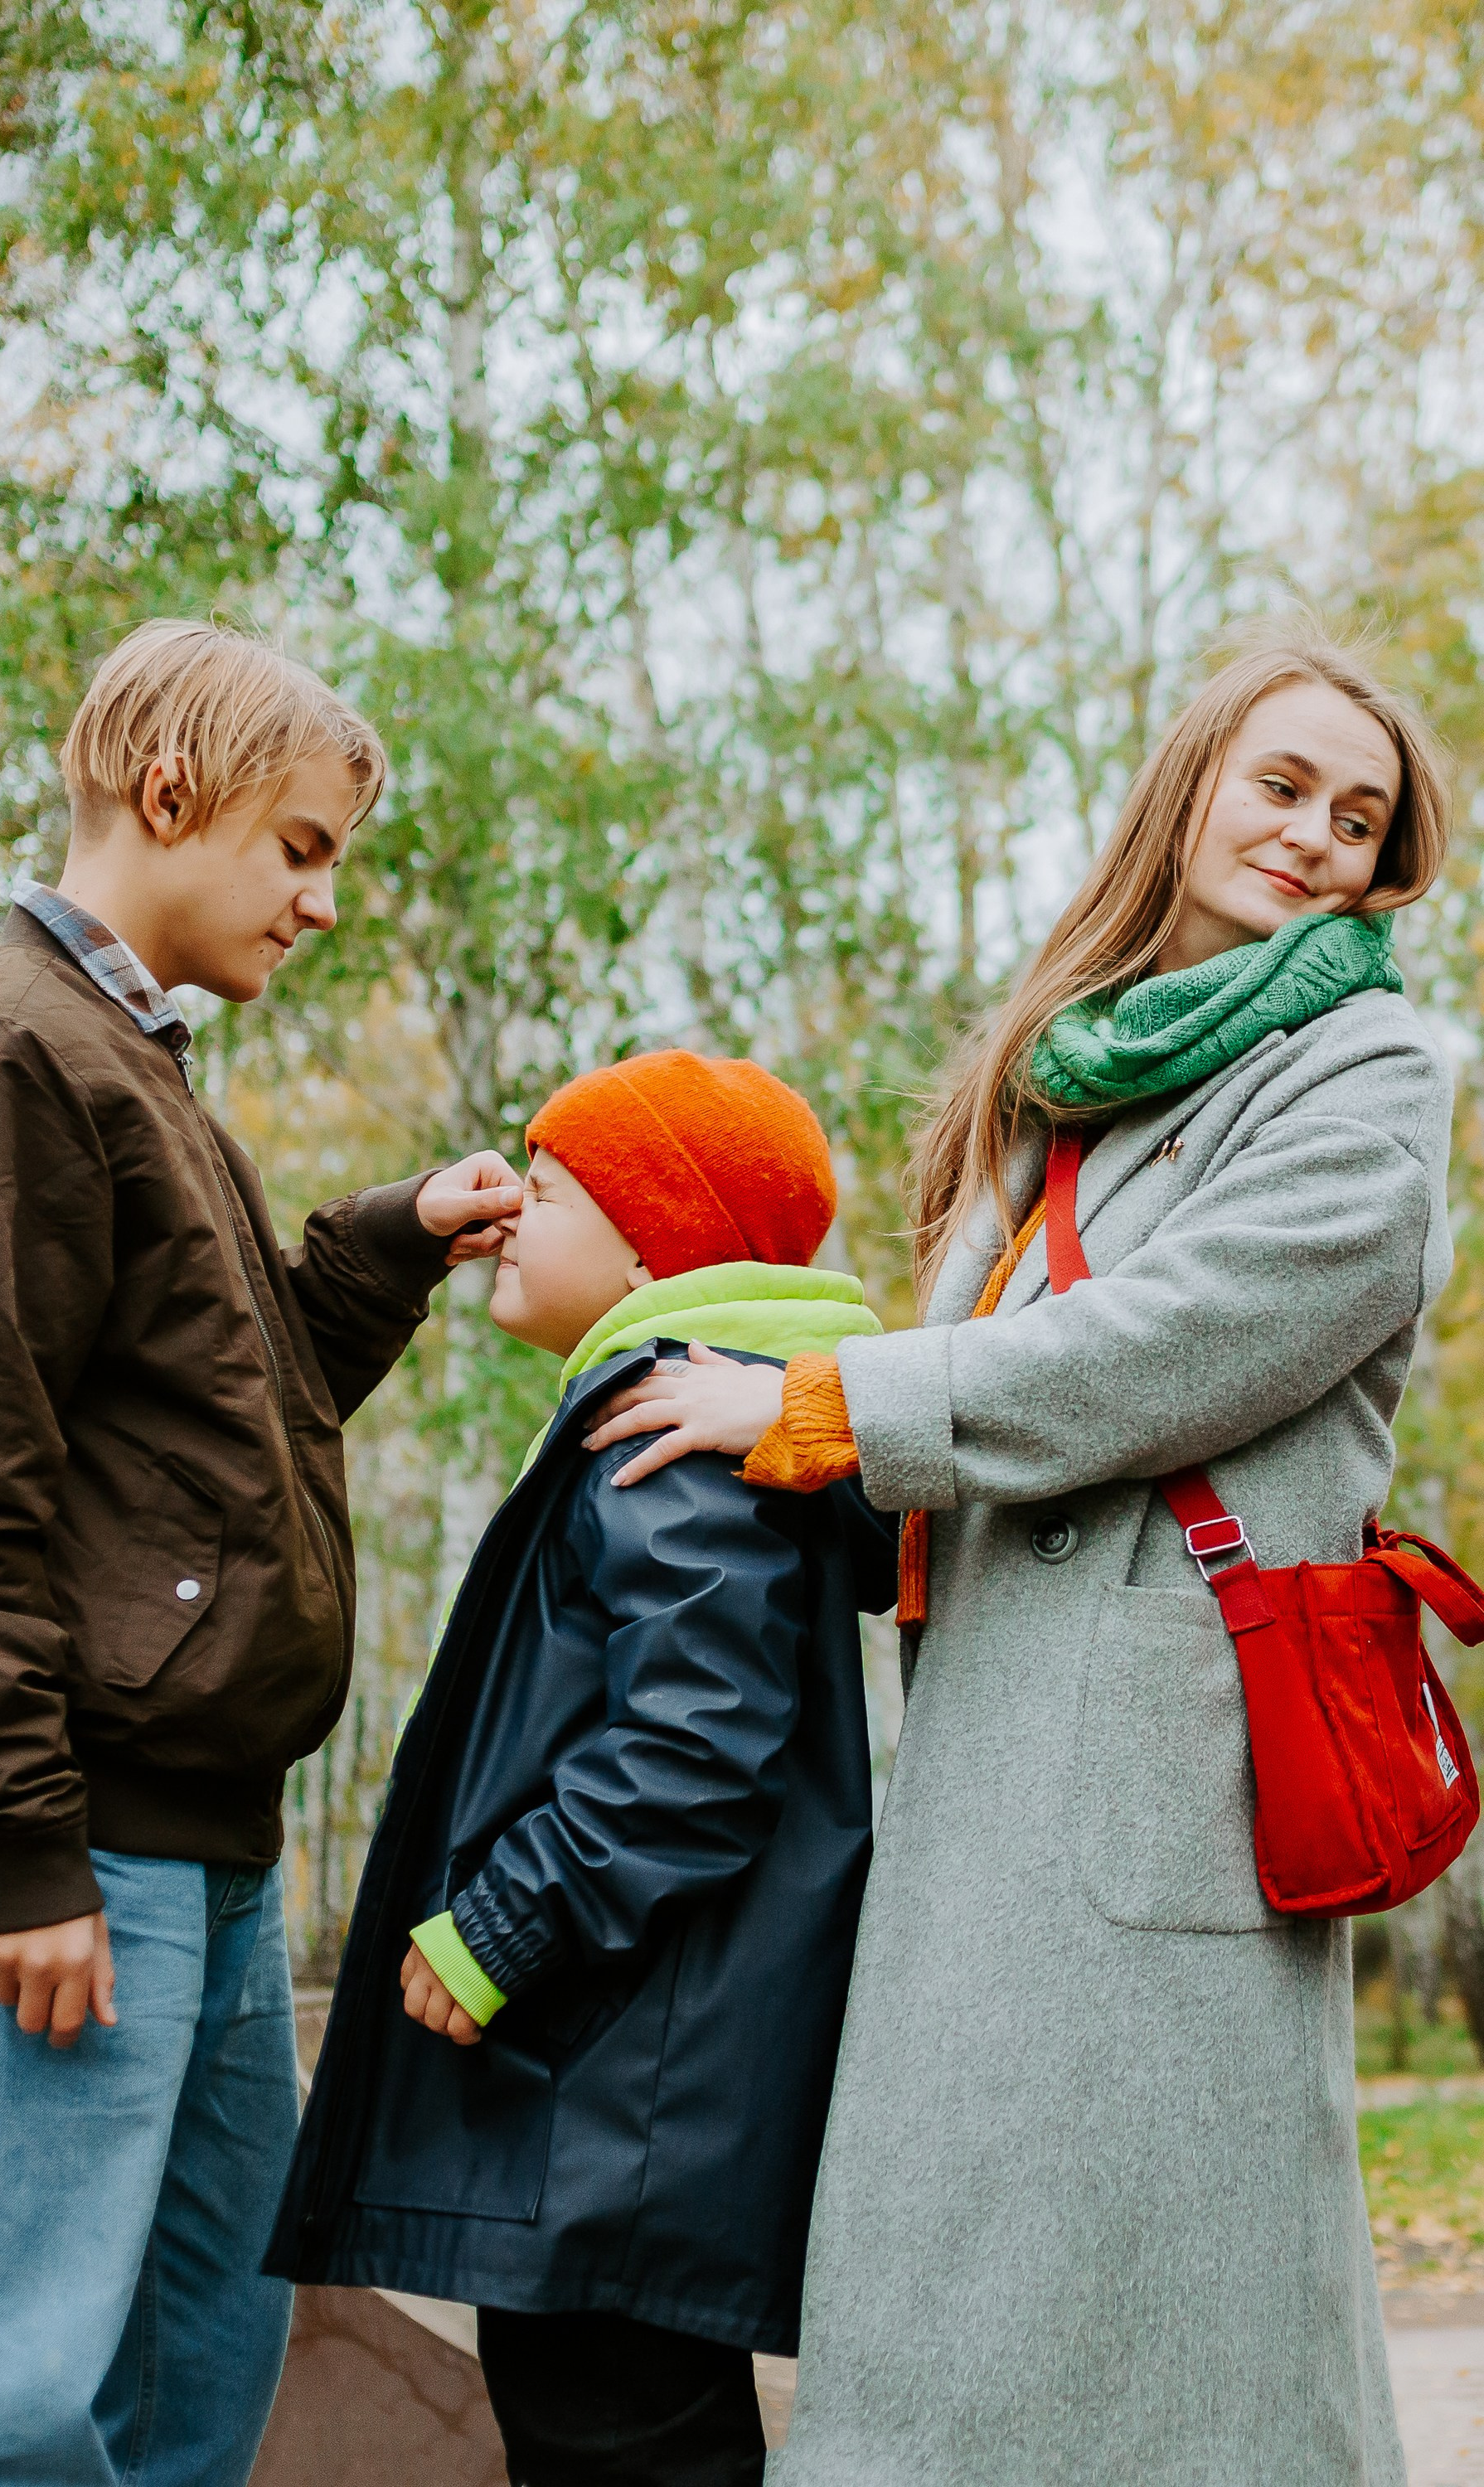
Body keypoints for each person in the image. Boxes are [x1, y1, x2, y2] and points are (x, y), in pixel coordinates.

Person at [584, 623, 1452, 2485]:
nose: (1311, 837)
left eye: (1357, 818)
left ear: (1388, 870)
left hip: (1167, 1770)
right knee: (956, 2311)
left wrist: (824, 1401)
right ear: (1189, 792)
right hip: (983, 1749)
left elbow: (1177, 1340)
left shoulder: (1369, 1071)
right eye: (1279, 786)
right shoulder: (1058, 1069)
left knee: (1175, 2338)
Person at [0, 620, 523, 2487]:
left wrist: (382, 1249)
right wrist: (15, 1848)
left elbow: (205, 1427)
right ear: (168, 795)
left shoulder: (137, 1067)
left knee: (183, 2381)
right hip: (68, 1848)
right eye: (301, 849)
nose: (319, 905)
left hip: (198, 1857)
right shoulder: (6, 1060)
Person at [267, 1049, 900, 2487]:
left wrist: (502, 1919)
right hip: (631, 2096)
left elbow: (693, 1741)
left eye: (543, 1189)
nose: (505, 1218)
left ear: (648, 1240)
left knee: (617, 2435)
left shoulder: (671, 1436)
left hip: (624, 2101)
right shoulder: (690, 1418)